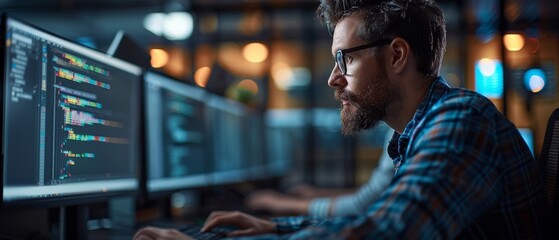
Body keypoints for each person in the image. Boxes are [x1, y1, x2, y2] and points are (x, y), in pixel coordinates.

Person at [134, 0, 546, 239]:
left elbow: (389, 232)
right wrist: (275, 228)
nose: (333, 78)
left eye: (344, 59)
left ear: (397, 55)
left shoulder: (460, 118)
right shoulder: (417, 133)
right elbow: (376, 215)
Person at [245, 128, 395, 218]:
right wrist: (318, 193)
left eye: (348, 72)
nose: (333, 81)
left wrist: (285, 204)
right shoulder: (397, 132)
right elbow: (377, 193)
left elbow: (364, 206)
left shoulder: (404, 132)